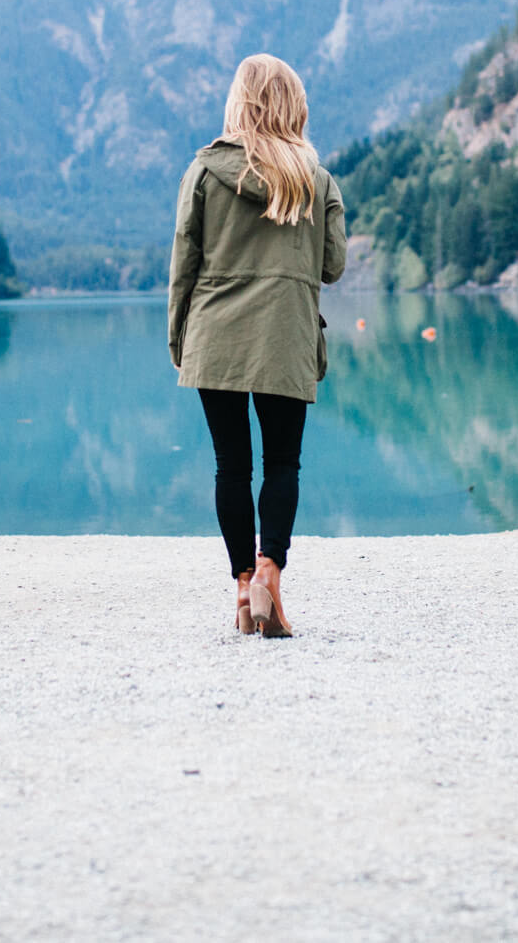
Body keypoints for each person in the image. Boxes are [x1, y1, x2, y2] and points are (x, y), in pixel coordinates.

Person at [168, 53, 346, 638]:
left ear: (238, 102)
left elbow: (184, 264)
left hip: (214, 333)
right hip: (285, 334)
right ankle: (271, 568)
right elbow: (334, 266)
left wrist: (180, 339)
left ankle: (244, 588)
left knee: (230, 466)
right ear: (294, 105)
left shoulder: (202, 171)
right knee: (283, 462)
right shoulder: (315, 180)